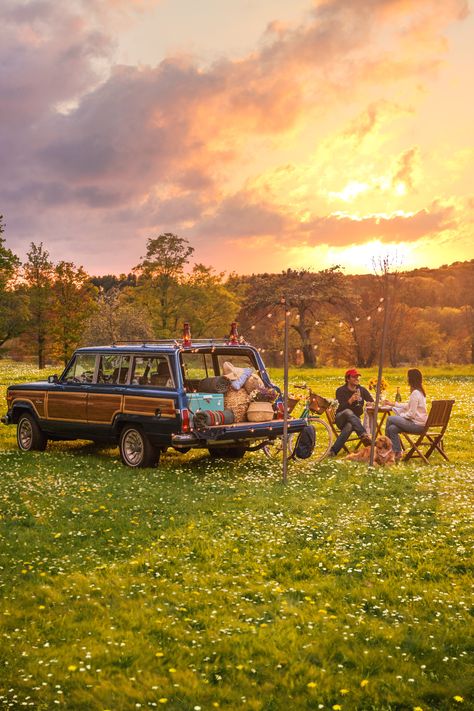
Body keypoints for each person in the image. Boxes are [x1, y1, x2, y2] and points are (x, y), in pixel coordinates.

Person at [384, 368, 428, 462]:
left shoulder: (415, 393)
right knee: (392, 429)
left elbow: (411, 414)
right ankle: (397, 452)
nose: (407, 379)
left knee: (390, 419)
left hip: (417, 425)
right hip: (421, 424)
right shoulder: (420, 392)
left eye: (408, 377)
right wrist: (393, 404)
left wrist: (401, 416)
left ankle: (386, 450)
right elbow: (409, 405)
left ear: (411, 379)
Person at [329, 368, 374, 456]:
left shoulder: (362, 390)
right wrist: (350, 400)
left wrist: (369, 403)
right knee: (347, 411)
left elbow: (371, 401)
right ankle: (364, 435)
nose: (357, 379)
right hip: (340, 418)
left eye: (358, 377)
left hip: (354, 421)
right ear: (347, 379)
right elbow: (339, 408)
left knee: (349, 426)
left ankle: (333, 451)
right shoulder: (340, 390)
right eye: (354, 377)